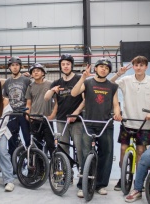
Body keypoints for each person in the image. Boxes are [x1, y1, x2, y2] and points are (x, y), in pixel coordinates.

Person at [109, 55, 150, 191]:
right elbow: (109, 85)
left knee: (141, 150)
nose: (138, 67)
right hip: (127, 122)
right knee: (123, 149)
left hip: (144, 124)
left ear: (146, 67)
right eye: (136, 65)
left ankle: (138, 180)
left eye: (141, 65)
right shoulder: (126, 80)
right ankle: (123, 178)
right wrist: (119, 73)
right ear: (133, 67)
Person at [71, 59, 122, 197]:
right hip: (89, 124)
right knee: (85, 154)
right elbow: (74, 93)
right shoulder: (88, 83)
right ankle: (83, 184)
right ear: (96, 68)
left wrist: (117, 113)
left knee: (107, 154)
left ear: (108, 70)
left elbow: (116, 104)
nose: (103, 69)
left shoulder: (112, 86)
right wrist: (82, 77)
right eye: (101, 67)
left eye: (106, 67)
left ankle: (101, 184)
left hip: (106, 125)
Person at [44, 54, 85, 187]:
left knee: (80, 149)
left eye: (68, 64)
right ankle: (68, 176)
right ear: (60, 66)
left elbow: (85, 99)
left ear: (72, 65)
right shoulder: (57, 83)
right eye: (63, 64)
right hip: (62, 120)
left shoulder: (79, 79)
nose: (65, 66)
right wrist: (52, 90)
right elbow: (49, 99)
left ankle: (83, 176)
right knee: (63, 149)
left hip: (77, 120)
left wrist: (75, 113)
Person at [2, 56, 31, 158]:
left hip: (24, 112)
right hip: (12, 113)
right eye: (12, 65)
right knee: (12, 140)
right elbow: (5, 98)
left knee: (28, 138)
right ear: (9, 67)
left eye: (17, 65)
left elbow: (30, 97)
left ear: (20, 66)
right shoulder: (7, 82)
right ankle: (13, 165)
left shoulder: (26, 80)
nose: (15, 67)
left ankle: (32, 163)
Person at [26, 63, 57, 155]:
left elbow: (56, 102)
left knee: (50, 143)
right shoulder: (30, 86)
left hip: (47, 119)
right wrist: (28, 115)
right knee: (37, 145)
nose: (36, 73)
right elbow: (28, 103)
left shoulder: (50, 84)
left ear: (43, 73)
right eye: (33, 71)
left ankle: (54, 166)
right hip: (34, 119)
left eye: (38, 71)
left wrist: (52, 115)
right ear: (31, 74)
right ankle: (40, 167)